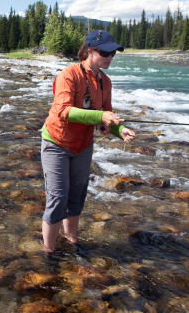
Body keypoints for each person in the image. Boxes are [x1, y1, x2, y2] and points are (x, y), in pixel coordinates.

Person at [41, 29, 135, 252]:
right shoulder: (68, 74)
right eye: (106, 53)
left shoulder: (106, 82)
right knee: (58, 197)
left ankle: (71, 239)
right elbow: (64, 111)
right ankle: (48, 251)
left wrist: (120, 130)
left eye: (114, 53)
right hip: (56, 142)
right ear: (90, 51)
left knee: (77, 195)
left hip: (83, 146)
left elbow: (107, 117)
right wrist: (100, 116)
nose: (111, 57)